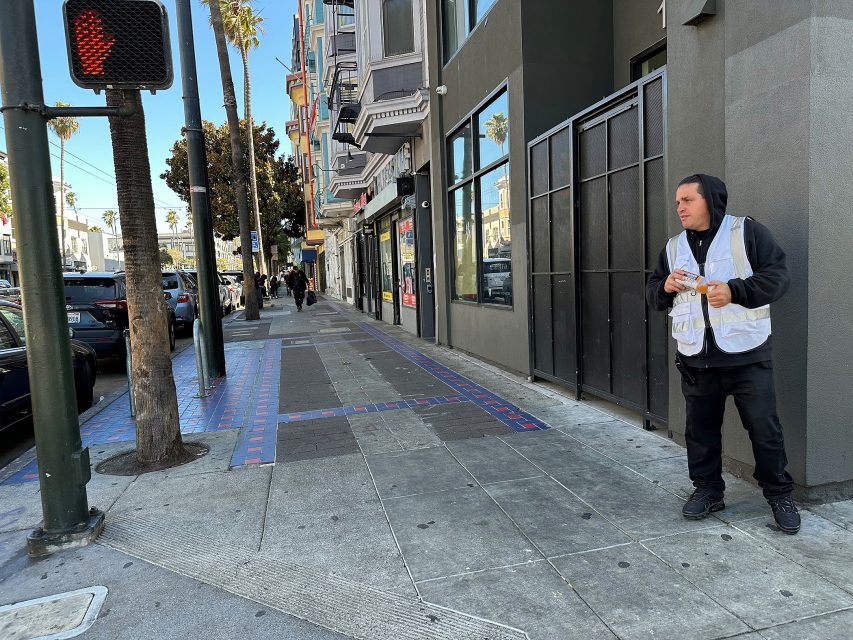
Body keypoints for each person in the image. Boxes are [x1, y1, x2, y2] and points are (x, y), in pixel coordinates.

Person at [646, 174, 799, 534]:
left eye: (687, 200)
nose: (680, 207)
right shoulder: (672, 248)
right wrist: (664, 287)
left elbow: (779, 276)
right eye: (677, 202)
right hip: (696, 358)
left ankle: (779, 495)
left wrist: (735, 291)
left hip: (747, 354)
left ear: (711, 202)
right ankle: (708, 490)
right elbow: (652, 292)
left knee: (765, 430)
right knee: (699, 431)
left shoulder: (745, 232)